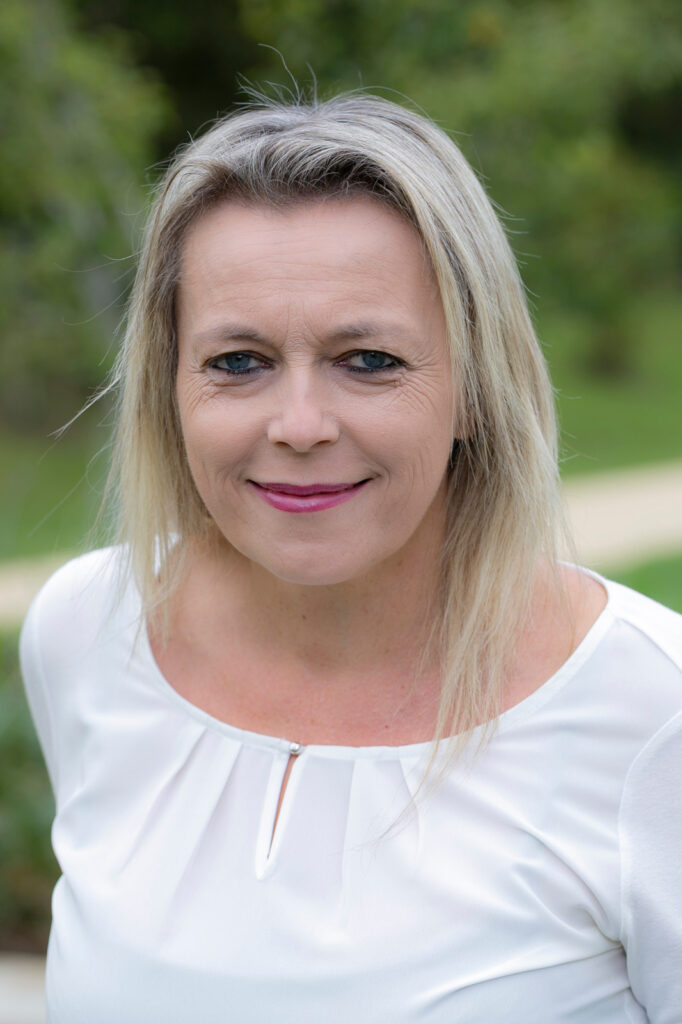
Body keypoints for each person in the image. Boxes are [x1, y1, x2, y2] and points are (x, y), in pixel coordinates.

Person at [20, 92, 682, 1023]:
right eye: (238, 362)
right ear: (169, 387)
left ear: (476, 384)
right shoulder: (90, 630)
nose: (299, 426)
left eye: (368, 360)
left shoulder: (652, 714)